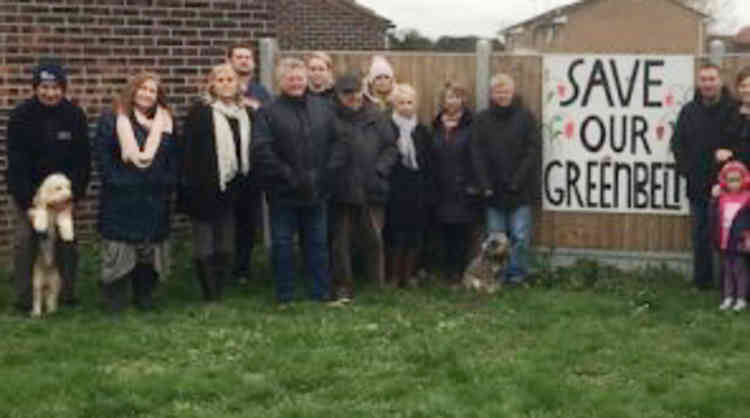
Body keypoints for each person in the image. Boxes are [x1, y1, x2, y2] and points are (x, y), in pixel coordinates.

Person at [7, 61, 91, 314]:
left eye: (56, 87)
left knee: (67, 243)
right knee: (25, 243)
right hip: (31, 197)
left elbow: (82, 162)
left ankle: (66, 294)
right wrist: (28, 204)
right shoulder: (20, 117)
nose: (50, 93)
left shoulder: (75, 116)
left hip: (64, 196)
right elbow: (16, 163)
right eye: (44, 87)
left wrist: (73, 195)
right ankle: (24, 299)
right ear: (36, 88)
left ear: (63, 89)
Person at [252, 58, 337, 305]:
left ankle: (320, 292)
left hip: (317, 190)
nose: (296, 82)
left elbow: (338, 142)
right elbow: (261, 150)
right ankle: (285, 296)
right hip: (283, 193)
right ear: (280, 81)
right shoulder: (268, 111)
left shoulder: (323, 108)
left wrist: (326, 173)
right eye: (290, 78)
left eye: (300, 77)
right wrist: (289, 176)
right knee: (282, 245)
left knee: (318, 244)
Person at [95, 72, 178, 312]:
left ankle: (145, 297)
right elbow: (103, 157)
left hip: (155, 196)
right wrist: (119, 182)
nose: (147, 94)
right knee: (119, 252)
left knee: (148, 253)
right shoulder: (113, 120)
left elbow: (174, 157)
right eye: (142, 89)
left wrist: (166, 181)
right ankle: (115, 300)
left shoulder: (167, 123)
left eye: (152, 91)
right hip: (121, 197)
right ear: (132, 91)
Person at [182, 64, 253, 301]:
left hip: (232, 187)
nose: (225, 84)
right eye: (220, 80)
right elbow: (188, 152)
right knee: (205, 243)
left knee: (226, 243)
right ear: (211, 84)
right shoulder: (200, 113)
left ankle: (221, 287)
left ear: (238, 83)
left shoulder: (245, 114)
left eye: (230, 79)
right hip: (203, 186)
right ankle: (209, 294)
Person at [328, 73, 398, 301]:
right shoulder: (329, 117)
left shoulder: (377, 116)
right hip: (341, 188)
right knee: (341, 241)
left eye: (356, 91)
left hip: (372, 186)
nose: (352, 97)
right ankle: (343, 286)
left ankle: (376, 284)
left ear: (363, 91)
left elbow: (391, 147)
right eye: (347, 93)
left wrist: (381, 169)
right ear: (338, 95)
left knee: (374, 239)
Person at [471, 73, 540, 285]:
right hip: (493, 190)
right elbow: (477, 153)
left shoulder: (525, 117)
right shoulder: (482, 119)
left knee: (520, 238)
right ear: (492, 94)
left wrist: (518, 180)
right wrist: (484, 184)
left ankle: (516, 275)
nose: (502, 95)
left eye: (506, 91)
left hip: (521, 189)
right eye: (498, 91)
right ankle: (494, 276)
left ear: (513, 92)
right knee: (495, 239)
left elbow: (533, 150)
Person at [671, 62, 736, 290]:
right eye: (704, 80)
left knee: (731, 238)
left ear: (720, 81)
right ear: (698, 83)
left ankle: (730, 285)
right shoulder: (689, 111)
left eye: (712, 79)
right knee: (700, 237)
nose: (708, 84)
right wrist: (687, 171)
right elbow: (677, 144)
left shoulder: (734, 110)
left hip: (731, 188)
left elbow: (742, 144)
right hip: (698, 186)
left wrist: (732, 156)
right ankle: (702, 282)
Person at [226, 44, 270, 285]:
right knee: (223, 218)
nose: (243, 61)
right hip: (224, 165)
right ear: (229, 61)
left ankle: (242, 268)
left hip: (251, 167)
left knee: (247, 219)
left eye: (247, 58)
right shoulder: (221, 86)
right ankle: (220, 267)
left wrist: (257, 107)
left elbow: (272, 118)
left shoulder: (261, 92)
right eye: (238, 57)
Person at [384, 83, 436, 288]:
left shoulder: (422, 131)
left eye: (410, 102)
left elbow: (430, 162)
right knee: (395, 233)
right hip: (394, 188)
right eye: (401, 102)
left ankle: (409, 275)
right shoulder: (387, 128)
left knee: (415, 233)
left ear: (416, 105)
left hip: (418, 189)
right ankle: (394, 276)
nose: (406, 106)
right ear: (394, 105)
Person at [432, 82, 481, 285]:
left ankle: (461, 274)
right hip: (441, 187)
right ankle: (446, 272)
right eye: (448, 97)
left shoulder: (472, 124)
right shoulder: (435, 125)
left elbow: (478, 156)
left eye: (456, 97)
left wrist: (473, 183)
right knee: (443, 232)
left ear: (463, 100)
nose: (452, 101)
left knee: (462, 233)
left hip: (463, 187)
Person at [713, 161, 750, 312]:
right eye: (730, 180)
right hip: (724, 240)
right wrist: (713, 199)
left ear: (744, 180)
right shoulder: (721, 198)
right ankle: (728, 297)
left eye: (737, 180)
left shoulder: (747, 198)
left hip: (740, 241)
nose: (733, 184)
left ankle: (741, 298)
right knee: (727, 269)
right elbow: (714, 218)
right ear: (724, 181)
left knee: (740, 269)